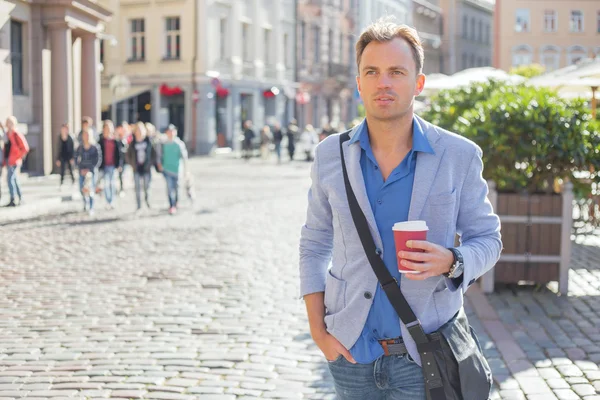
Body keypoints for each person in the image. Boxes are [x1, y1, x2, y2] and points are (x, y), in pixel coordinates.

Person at [299, 19, 501, 399]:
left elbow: (488, 238)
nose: (383, 83)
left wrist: (453, 260)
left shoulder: (458, 155)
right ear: (359, 82)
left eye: (396, 72)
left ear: (418, 83)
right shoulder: (331, 154)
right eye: (371, 72)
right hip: (351, 356)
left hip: (425, 352)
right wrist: (318, 331)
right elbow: (314, 242)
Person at [157, 124, 188, 215]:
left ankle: (176, 202)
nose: (171, 133)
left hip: (177, 169)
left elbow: (184, 157)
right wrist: (159, 164)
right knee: (170, 188)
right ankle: (172, 205)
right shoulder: (163, 144)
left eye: (172, 131)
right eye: (169, 131)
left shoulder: (179, 144)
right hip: (167, 169)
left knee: (177, 188)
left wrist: (186, 170)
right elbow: (160, 155)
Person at [127, 122, 155, 211]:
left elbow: (154, 154)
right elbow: (128, 155)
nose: (139, 132)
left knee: (147, 187)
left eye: (141, 130)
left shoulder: (149, 141)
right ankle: (139, 205)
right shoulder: (133, 143)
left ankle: (147, 201)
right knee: (137, 188)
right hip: (136, 168)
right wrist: (132, 164)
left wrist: (150, 164)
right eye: (137, 130)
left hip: (146, 168)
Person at [3, 116, 29, 207]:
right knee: (14, 179)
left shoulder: (16, 134)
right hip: (8, 160)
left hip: (14, 161)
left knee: (10, 179)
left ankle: (13, 199)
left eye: (11, 123)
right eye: (8, 123)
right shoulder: (6, 135)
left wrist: (17, 157)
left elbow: (25, 148)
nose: (9, 125)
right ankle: (20, 198)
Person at [75, 128, 101, 215]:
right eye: (84, 135)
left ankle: (91, 207)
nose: (86, 137)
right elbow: (76, 159)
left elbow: (97, 160)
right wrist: (80, 169)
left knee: (91, 190)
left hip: (91, 172)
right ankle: (85, 203)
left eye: (88, 135)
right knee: (81, 189)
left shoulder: (95, 147)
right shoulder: (80, 147)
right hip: (82, 171)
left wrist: (89, 169)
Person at [98, 120, 121, 209]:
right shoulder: (100, 141)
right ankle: (108, 200)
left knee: (112, 183)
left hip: (112, 165)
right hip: (104, 165)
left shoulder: (114, 141)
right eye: (106, 128)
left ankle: (112, 200)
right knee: (106, 184)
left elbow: (119, 154)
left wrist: (119, 165)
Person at [56, 123, 75, 188]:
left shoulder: (70, 137)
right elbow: (58, 148)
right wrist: (58, 159)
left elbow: (72, 148)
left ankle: (73, 181)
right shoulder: (59, 137)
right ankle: (61, 183)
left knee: (70, 170)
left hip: (69, 156)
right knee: (62, 170)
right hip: (62, 156)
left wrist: (72, 157)